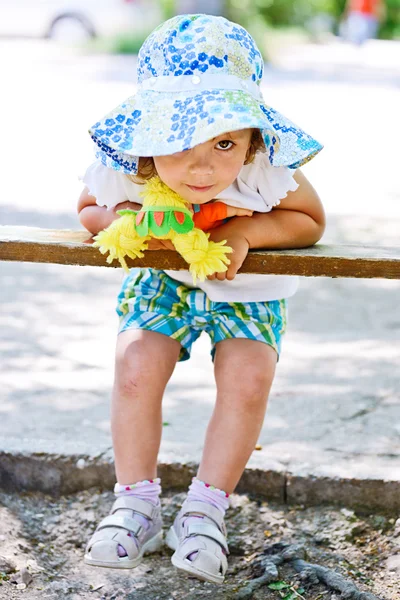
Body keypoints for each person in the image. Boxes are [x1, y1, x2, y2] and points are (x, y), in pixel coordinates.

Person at [77, 14, 325, 584]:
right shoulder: (127, 168)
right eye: (178, 141)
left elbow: (309, 220)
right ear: (146, 135)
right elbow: (88, 208)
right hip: (164, 276)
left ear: (252, 139)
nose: (202, 166)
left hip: (248, 290)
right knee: (136, 365)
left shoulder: (265, 168)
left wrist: (246, 233)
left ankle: (206, 510)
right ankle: (135, 505)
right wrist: (129, 220)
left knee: (247, 379)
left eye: (224, 142)